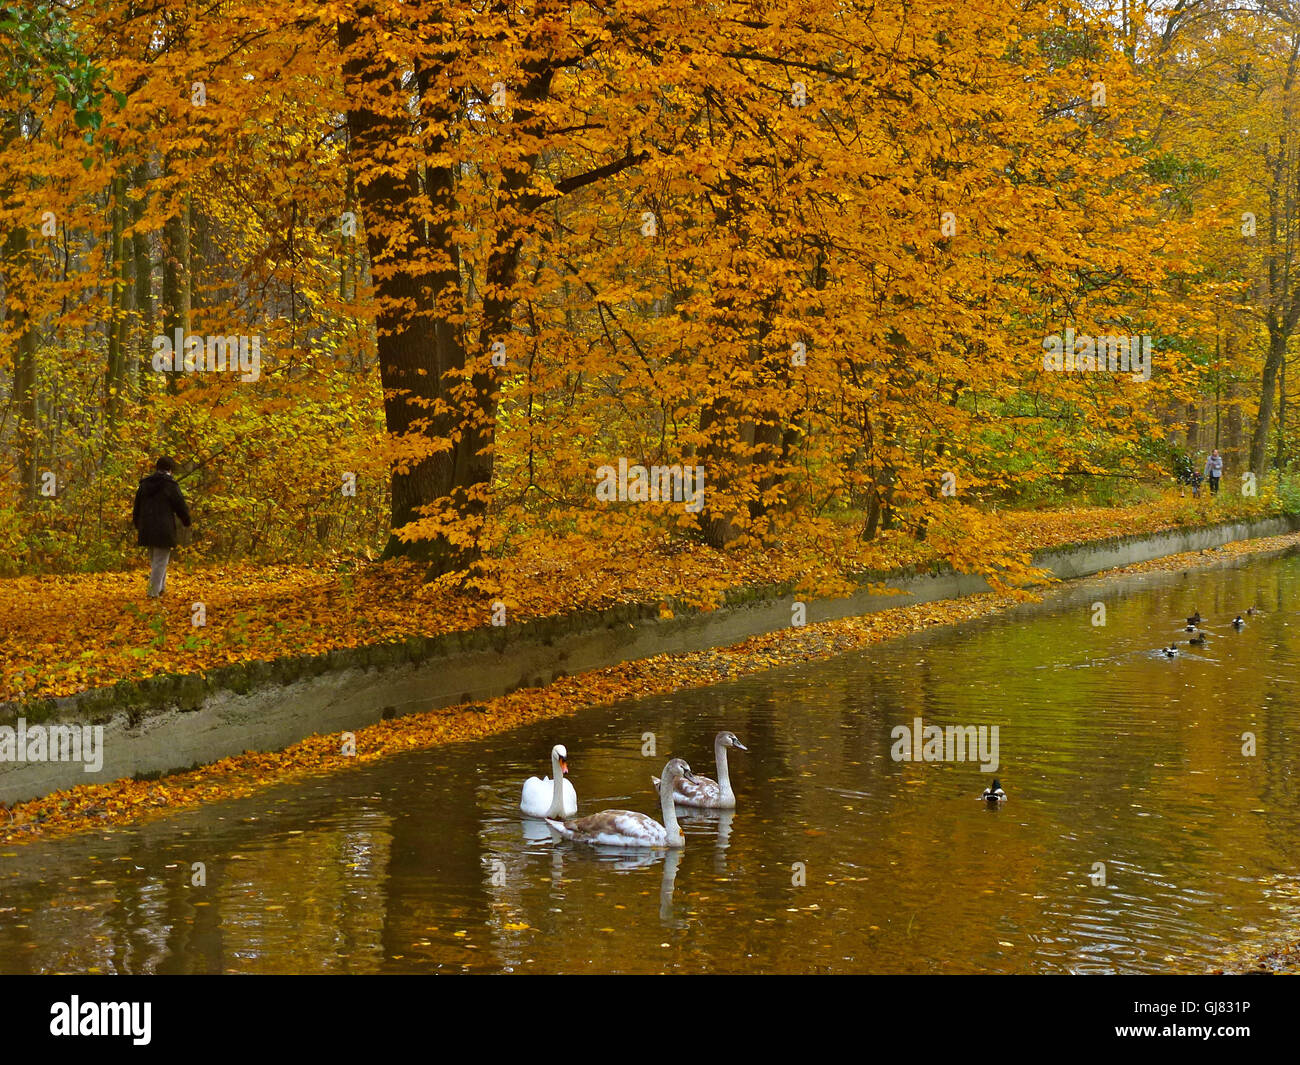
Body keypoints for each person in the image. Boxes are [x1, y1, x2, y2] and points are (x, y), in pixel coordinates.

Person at [132, 457, 192, 598]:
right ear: (170, 469)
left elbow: (137, 506)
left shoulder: (145, 484)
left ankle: (161, 589)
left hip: (146, 527)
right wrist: (186, 520)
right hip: (163, 528)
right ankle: (153, 593)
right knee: (160, 562)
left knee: (156, 560)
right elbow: (180, 505)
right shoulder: (170, 485)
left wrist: (137, 523)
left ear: (157, 467)